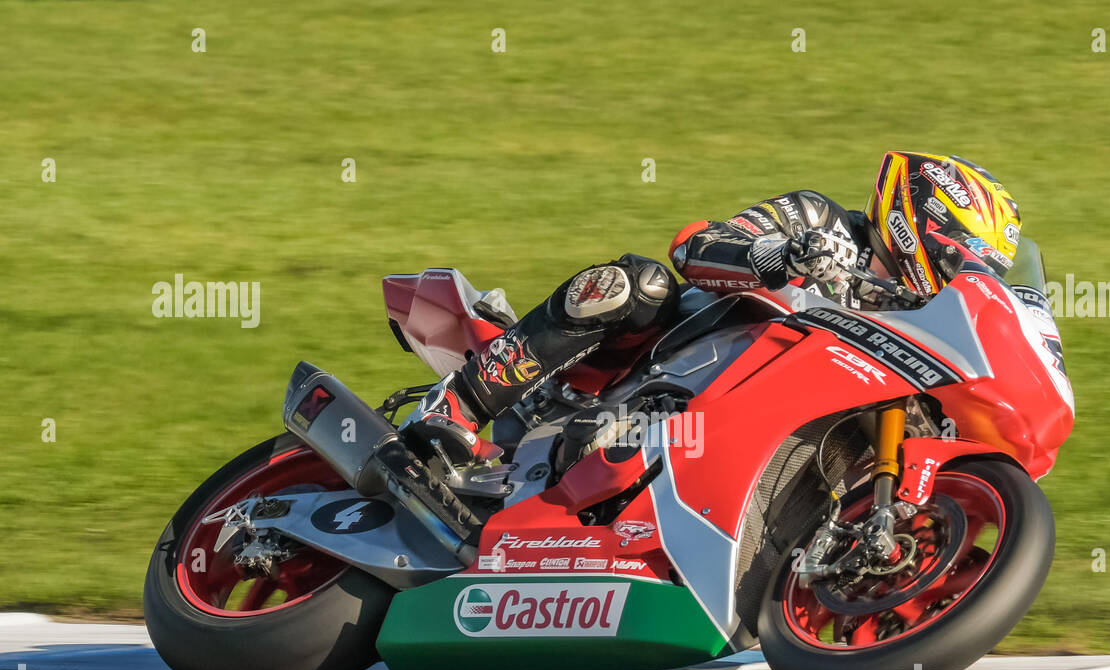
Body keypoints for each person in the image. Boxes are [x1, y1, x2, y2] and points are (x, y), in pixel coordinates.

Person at [412, 151, 1022, 463]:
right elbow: (693, 244)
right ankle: (460, 405)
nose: (965, 270)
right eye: (964, 254)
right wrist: (778, 255)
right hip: (655, 362)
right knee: (638, 283)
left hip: (742, 420)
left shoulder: (921, 318)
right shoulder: (821, 219)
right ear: (924, 216)